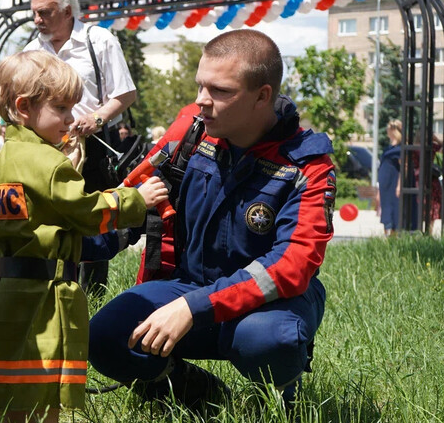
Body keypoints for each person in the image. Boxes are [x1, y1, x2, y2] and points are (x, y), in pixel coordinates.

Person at [89, 30, 335, 413]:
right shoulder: (188, 135)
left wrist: (194, 307)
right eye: (200, 86)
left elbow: (293, 265)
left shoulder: (306, 165)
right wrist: (59, 236)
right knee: (105, 335)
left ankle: (283, 406)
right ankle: (199, 397)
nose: (202, 101)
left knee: (271, 340)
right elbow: (130, 208)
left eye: (219, 91)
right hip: (187, 289)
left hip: (266, 307)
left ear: (262, 96)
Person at [0, 50, 167, 423]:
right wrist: (134, 200)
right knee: (45, 393)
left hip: (6, 294)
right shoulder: (46, 162)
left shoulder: (7, 158)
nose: (70, 118)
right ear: (24, 107)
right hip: (44, 299)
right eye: (61, 107)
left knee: (14, 394)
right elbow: (85, 210)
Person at [25, 0, 138, 294]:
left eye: (44, 13)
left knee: (92, 218)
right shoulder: (32, 50)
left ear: (65, 10)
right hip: (46, 146)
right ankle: (52, 286)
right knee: (49, 216)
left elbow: (125, 93)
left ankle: (92, 296)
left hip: (92, 144)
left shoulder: (98, 39)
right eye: (34, 13)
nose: (37, 20)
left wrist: (98, 118)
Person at [378, 120, 402, 236]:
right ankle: (387, 235)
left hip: (393, 183)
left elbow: (403, 167)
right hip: (385, 184)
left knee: (394, 209)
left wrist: (399, 185)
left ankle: (394, 235)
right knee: (386, 209)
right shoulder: (388, 148)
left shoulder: (400, 148)